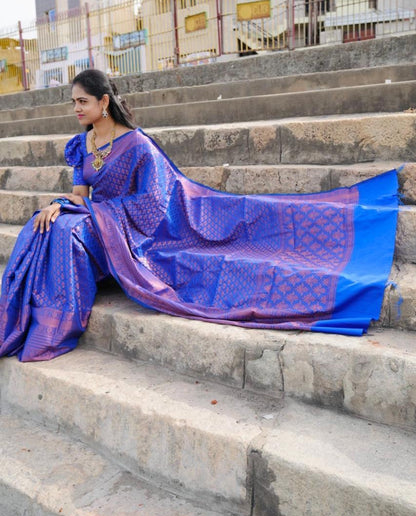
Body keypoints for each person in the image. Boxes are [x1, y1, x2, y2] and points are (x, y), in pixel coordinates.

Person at [0, 69, 399, 362]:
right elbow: (79, 194)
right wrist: (61, 203)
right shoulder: (81, 144)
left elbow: (153, 207)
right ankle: (18, 320)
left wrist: (86, 211)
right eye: (73, 102)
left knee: (68, 229)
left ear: (104, 102)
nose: (76, 108)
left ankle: (57, 327)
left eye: (82, 101)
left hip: (133, 235)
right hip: (99, 222)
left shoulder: (138, 146)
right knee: (46, 224)